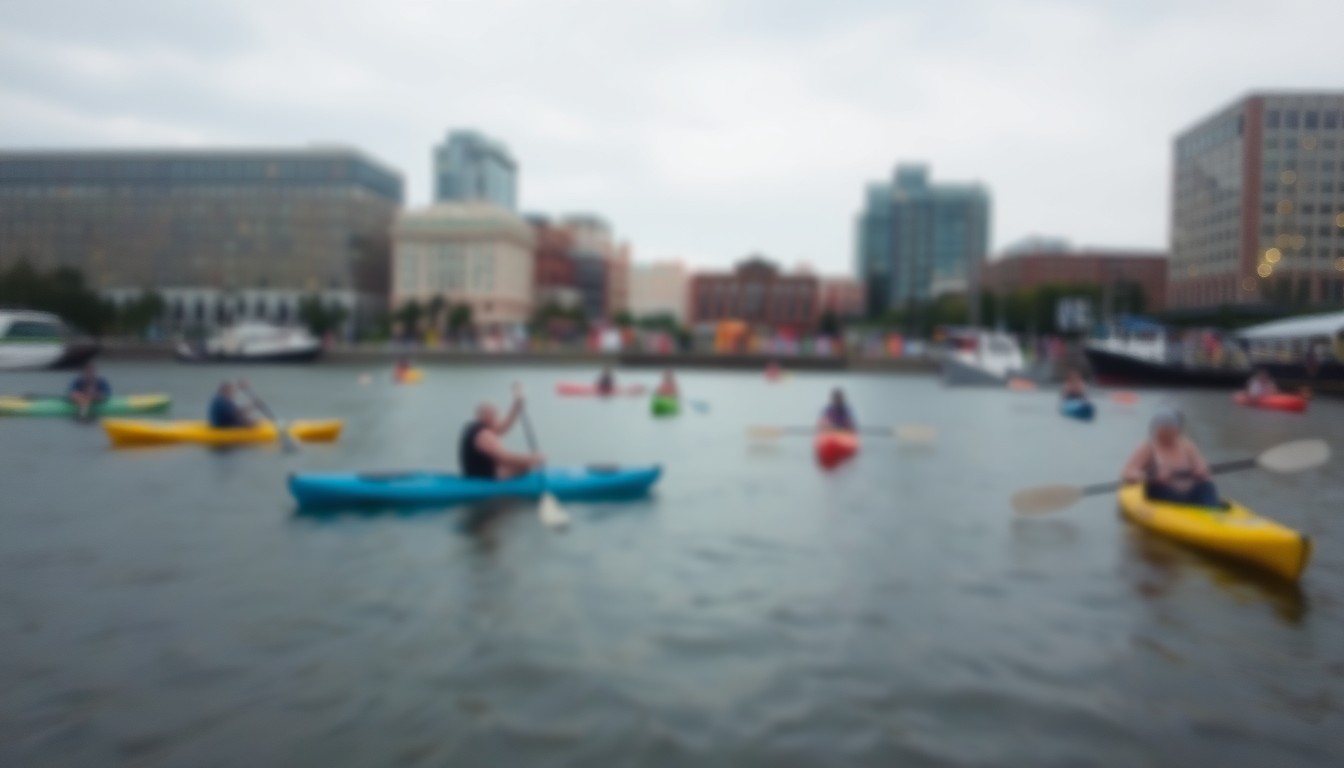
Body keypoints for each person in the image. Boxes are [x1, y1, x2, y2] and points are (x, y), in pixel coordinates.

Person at [1121, 409, 1222, 508]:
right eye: (1164, 431)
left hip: (1189, 494)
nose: (1167, 435)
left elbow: (1202, 467)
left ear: (1177, 430)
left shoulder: (1187, 445)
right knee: (1158, 488)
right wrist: (1151, 476)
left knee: (1207, 485)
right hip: (1163, 493)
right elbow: (1128, 472)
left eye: (1171, 430)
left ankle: (1213, 512)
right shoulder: (1147, 447)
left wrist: (1201, 471)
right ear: (1156, 430)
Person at [460, 386, 544, 480]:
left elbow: (503, 427)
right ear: (486, 415)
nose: (496, 417)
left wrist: (516, 406)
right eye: (494, 415)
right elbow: (505, 459)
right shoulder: (483, 435)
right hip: (484, 479)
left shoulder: (476, 426)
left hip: (477, 474)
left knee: (523, 464)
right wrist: (532, 459)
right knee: (523, 466)